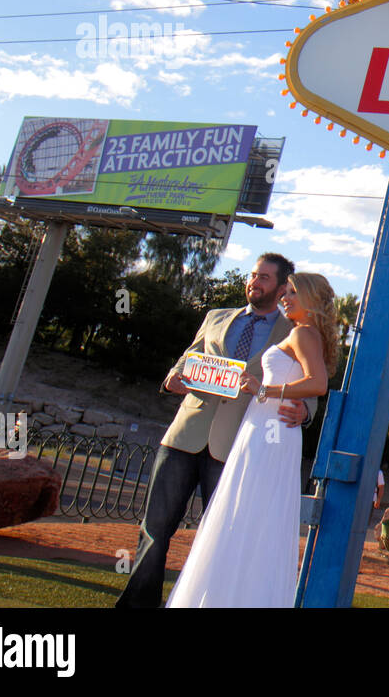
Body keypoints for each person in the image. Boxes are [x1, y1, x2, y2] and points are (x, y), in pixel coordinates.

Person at [116, 254, 312, 608]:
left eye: (265, 277)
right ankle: (137, 605)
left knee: (223, 536)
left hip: (237, 445)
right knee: (155, 528)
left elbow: (308, 383)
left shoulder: (294, 331)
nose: (255, 282)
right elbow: (187, 358)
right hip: (185, 434)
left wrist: (305, 410)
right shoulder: (215, 317)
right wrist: (174, 376)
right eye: (253, 275)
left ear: (283, 287)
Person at [167, 272, 338, 607]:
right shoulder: (304, 333)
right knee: (251, 514)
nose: (285, 298)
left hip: (268, 433)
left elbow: (317, 384)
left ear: (312, 299)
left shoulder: (304, 333)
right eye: (285, 292)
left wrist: (264, 390)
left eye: (293, 292)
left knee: (247, 511)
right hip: (265, 430)